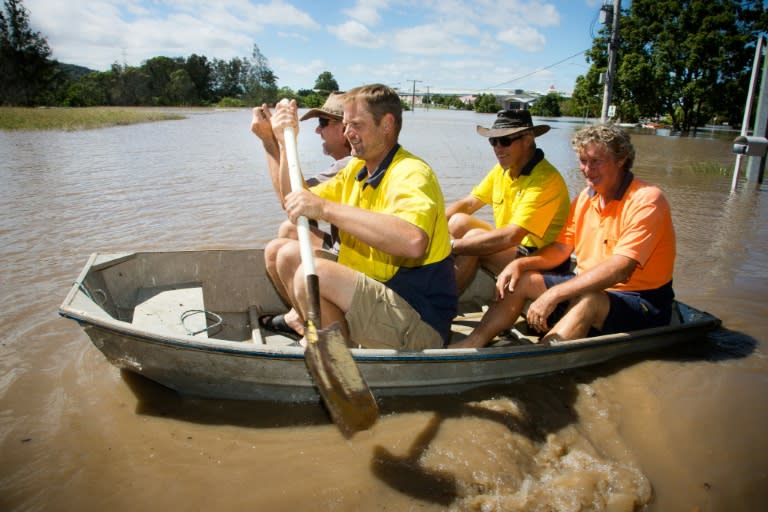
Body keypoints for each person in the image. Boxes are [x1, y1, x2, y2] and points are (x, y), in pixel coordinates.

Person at [266, 83, 457, 350]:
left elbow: (413, 242)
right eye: (345, 125)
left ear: (387, 124)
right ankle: (336, 348)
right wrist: (285, 142)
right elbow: (294, 199)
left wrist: (324, 208)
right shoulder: (357, 167)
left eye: (356, 124)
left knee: (314, 274)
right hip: (382, 300)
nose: (348, 133)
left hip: (419, 322)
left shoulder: (411, 173)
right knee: (283, 252)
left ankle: (339, 361)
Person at [450, 123, 676, 348]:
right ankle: (472, 342)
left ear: (621, 160)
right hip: (589, 285)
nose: (587, 170)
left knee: (589, 301)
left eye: (596, 162)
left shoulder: (647, 200)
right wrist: (521, 265)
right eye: (583, 161)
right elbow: (560, 249)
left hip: (640, 300)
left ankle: (539, 358)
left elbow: (620, 269)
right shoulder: (586, 198)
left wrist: (555, 293)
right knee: (521, 280)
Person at [251, 93, 351, 338]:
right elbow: (295, 202)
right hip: (349, 249)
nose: (318, 131)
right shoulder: (345, 164)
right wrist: (276, 141)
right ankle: (299, 315)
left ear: (345, 128)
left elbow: (291, 202)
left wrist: (269, 141)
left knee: (280, 252)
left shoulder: (349, 164)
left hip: (358, 262)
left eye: (323, 123)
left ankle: (314, 328)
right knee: (289, 229)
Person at [446, 110, 570, 293]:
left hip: (542, 259)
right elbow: (470, 203)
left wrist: (450, 247)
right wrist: (431, 226)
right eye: (493, 141)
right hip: (515, 248)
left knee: (473, 240)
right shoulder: (502, 170)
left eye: (505, 141)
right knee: (457, 220)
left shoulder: (546, 180)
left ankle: (439, 306)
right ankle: (443, 283)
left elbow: (513, 236)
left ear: (528, 139)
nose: (497, 148)